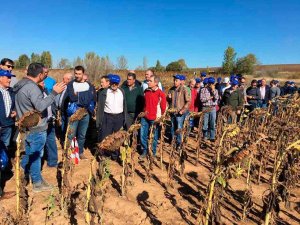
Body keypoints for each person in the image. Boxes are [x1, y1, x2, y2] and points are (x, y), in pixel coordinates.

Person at [13, 63, 65, 192]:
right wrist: (54, 93)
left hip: (27, 127)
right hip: (36, 128)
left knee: (30, 152)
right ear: (40, 74)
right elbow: (40, 106)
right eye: (44, 74)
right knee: (37, 155)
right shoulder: (32, 87)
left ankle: (25, 174)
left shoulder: (22, 85)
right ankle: (37, 183)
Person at [65, 66, 96, 159]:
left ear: (83, 74)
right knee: (71, 134)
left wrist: (78, 95)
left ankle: (80, 152)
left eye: (79, 74)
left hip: (85, 112)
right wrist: (84, 96)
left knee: (82, 135)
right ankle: (71, 153)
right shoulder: (71, 84)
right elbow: (72, 98)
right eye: (76, 73)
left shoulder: (89, 85)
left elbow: (92, 98)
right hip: (74, 112)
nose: (77, 75)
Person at [139, 75, 166, 160]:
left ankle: (153, 153)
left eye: (150, 81)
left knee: (154, 137)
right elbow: (144, 104)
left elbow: (163, 108)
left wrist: (161, 119)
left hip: (154, 119)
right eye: (148, 81)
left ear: (156, 83)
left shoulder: (160, 94)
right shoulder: (146, 91)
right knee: (142, 135)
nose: (148, 82)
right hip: (145, 117)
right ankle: (144, 151)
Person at [96, 74, 127, 143]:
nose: (114, 85)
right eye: (113, 83)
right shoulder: (104, 93)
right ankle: (105, 153)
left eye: (116, 83)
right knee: (106, 136)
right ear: (110, 83)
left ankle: (115, 153)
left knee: (117, 136)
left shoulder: (122, 92)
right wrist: (98, 121)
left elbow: (125, 105)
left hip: (119, 117)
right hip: (107, 117)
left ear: (118, 84)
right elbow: (100, 107)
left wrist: (125, 118)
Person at [38, 81, 58, 168]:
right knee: (39, 144)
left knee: (51, 141)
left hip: (50, 120)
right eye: (42, 83)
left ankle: (53, 162)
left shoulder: (45, 91)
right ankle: (35, 165)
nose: (44, 84)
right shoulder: (35, 94)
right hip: (40, 122)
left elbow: (51, 103)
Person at [167, 75, 190, 147]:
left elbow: (188, 101)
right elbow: (168, 101)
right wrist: (168, 98)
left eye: (176, 80)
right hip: (172, 112)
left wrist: (182, 110)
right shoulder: (171, 89)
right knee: (172, 127)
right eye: (174, 80)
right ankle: (173, 142)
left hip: (180, 113)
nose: (174, 82)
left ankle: (179, 143)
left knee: (179, 128)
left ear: (180, 81)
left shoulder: (184, 89)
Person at [0, 70, 16, 148]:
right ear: (0, 78)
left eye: (10, 78)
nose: (10, 80)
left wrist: (15, 111)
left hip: (8, 125)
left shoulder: (12, 91)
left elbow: (15, 105)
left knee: (5, 147)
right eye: (8, 77)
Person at [200, 77, 219, 142]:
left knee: (212, 123)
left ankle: (212, 136)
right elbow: (202, 100)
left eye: (212, 83)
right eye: (210, 83)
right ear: (208, 83)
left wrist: (213, 91)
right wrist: (209, 98)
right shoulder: (203, 90)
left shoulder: (216, 91)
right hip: (205, 108)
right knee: (205, 124)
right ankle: (205, 136)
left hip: (212, 108)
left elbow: (216, 99)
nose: (211, 84)